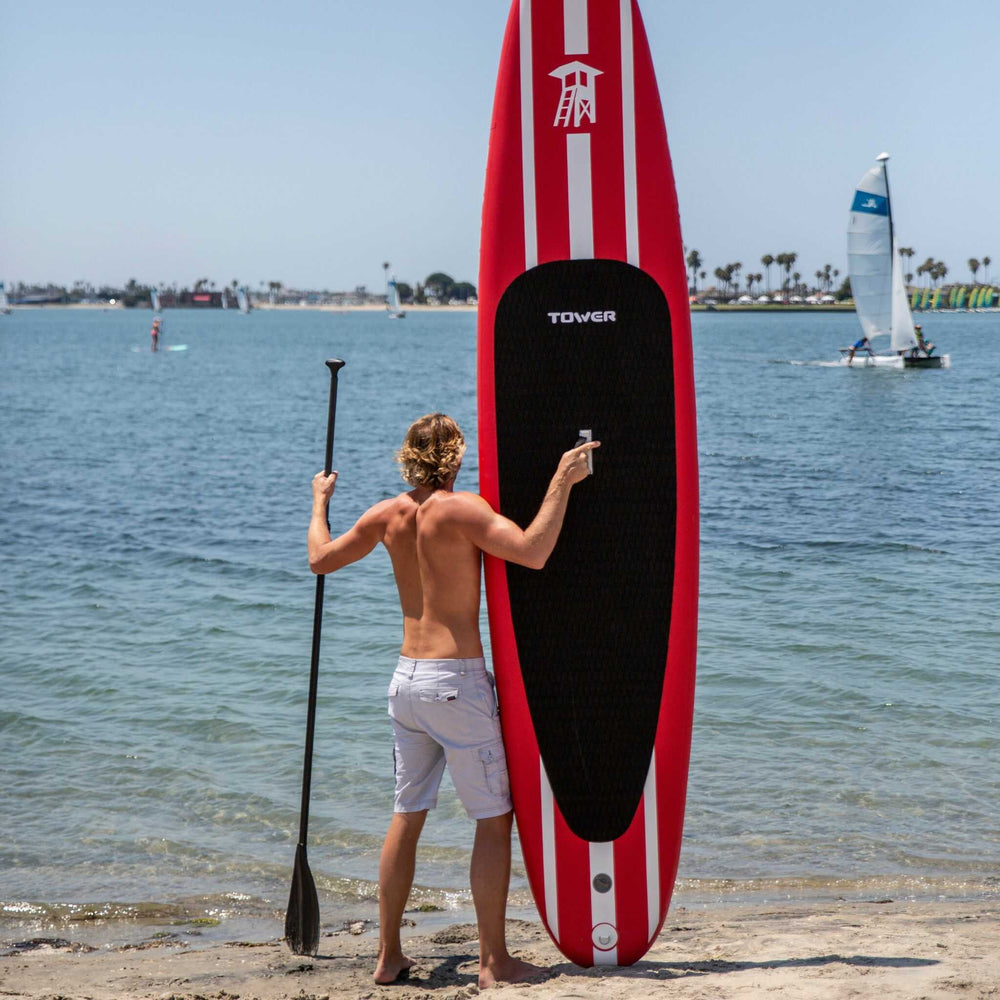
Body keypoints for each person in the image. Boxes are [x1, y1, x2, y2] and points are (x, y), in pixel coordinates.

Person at [308, 413, 599, 989]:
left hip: (405, 682)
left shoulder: (386, 515)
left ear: (407, 458)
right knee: (494, 819)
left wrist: (320, 501)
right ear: (457, 457)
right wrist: (563, 478)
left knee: (407, 815)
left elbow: (320, 559)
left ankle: (388, 956)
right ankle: (495, 962)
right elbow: (533, 550)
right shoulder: (462, 509)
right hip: (455, 683)